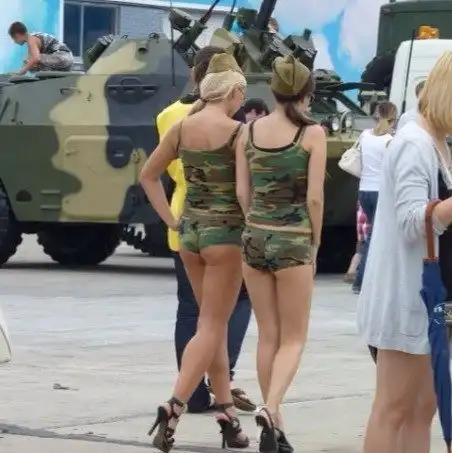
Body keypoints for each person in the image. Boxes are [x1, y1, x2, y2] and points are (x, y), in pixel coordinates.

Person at [141, 53, 249, 452]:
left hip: (189, 234)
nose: (241, 101)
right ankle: (174, 404)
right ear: (233, 92)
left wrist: (170, 220)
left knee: (210, 324)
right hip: (226, 237)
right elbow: (244, 192)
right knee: (212, 326)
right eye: (241, 94)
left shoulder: (182, 126)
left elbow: (148, 175)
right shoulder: (238, 133)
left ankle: (227, 414)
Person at [357, 50, 452, 453]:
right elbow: (413, 221)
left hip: (432, 296)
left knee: (422, 408)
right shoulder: (415, 142)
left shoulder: (437, 141)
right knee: (394, 406)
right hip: (408, 296)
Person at [236, 55, 327, 453]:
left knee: (268, 335)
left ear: (273, 91)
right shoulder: (312, 134)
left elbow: (243, 192)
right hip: (294, 240)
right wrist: (315, 243)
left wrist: (255, 223)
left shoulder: (248, 131)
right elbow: (315, 199)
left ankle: (275, 427)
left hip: (254, 238)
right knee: (293, 338)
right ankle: (271, 408)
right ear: (306, 94)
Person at [352, 101, 397, 294]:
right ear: (393, 118)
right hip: (381, 192)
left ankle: (366, 279)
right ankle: (361, 281)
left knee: (372, 235)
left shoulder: (364, 135)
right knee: (377, 238)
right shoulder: (390, 140)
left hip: (364, 190)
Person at [8, 22, 73, 74]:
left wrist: (21, 71)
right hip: (65, 61)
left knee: (31, 61)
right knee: (29, 63)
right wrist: (19, 72)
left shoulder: (31, 39)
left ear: (17, 35)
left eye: (14, 39)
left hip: (63, 57)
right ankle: (49, 75)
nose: (14, 42)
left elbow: (36, 58)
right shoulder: (33, 38)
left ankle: (46, 74)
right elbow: (27, 63)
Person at [344, 203, 370, 283]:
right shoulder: (368, 208)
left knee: (358, 253)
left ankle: (350, 272)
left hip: (361, 232)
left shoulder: (359, 209)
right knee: (365, 254)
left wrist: (360, 237)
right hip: (367, 231)